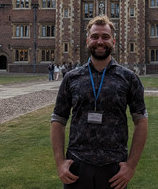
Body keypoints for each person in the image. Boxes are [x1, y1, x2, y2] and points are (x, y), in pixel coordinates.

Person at [51, 15, 148, 189]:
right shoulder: (72, 78)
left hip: (114, 169)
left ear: (114, 41)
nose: (100, 41)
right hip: (77, 166)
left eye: (105, 37)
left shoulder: (128, 78)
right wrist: (60, 163)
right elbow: (58, 119)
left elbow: (141, 121)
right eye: (95, 36)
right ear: (87, 40)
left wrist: (131, 166)